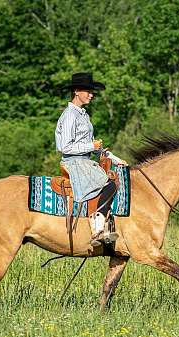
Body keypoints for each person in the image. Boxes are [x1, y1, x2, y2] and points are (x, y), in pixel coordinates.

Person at [55, 72, 127, 246]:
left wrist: (116, 159)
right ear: (77, 91)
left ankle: (107, 225)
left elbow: (95, 147)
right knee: (109, 184)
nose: (91, 94)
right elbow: (64, 147)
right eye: (88, 91)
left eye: (91, 91)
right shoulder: (69, 115)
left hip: (85, 161)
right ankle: (97, 229)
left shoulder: (83, 115)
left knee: (114, 177)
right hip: (74, 163)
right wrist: (91, 147)